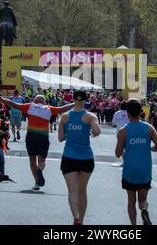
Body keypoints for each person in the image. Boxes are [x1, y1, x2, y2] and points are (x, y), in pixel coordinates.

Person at [0, 90, 75, 190]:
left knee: (32, 159)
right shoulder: (49, 109)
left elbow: (13, 103)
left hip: (31, 136)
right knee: (42, 160)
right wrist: (76, 103)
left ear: (34, 101)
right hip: (43, 137)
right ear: (44, 102)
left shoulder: (30, 106)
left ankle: (36, 182)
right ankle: (40, 169)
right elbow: (63, 108)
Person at [115, 100, 157, 225]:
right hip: (145, 169)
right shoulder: (149, 128)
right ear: (140, 112)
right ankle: (144, 210)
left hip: (130, 169)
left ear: (127, 113)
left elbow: (117, 153)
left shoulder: (123, 131)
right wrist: (149, 148)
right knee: (143, 200)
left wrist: (126, 151)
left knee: (131, 201)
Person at [58, 91, 101, 225]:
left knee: (72, 191)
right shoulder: (90, 116)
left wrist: (68, 133)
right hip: (86, 158)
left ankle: (75, 217)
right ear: (85, 101)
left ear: (73, 100)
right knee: (82, 191)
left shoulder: (65, 117)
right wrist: (91, 132)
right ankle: (81, 221)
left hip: (69, 157)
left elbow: (60, 138)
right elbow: (97, 131)